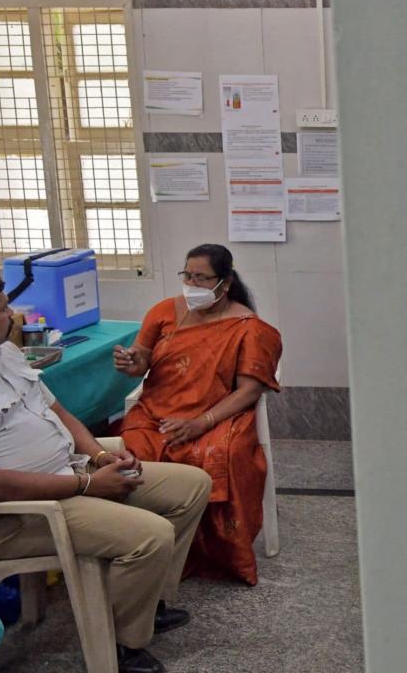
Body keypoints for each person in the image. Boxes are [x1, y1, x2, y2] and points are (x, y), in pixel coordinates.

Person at [0, 269, 211, 673]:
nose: (12, 314)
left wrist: (100, 458)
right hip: (16, 515)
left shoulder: (2, 352)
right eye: (3, 308)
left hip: (71, 473)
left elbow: (58, 412)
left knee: (192, 486)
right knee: (151, 536)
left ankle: (145, 605)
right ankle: (120, 642)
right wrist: (86, 485)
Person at [114, 244, 282, 585]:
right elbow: (143, 360)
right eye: (187, 276)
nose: (192, 284)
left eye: (202, 278)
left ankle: (215, 554)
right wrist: (133, 364)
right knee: (132, 452)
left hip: (217, 414)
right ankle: (145, 547)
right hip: (156, 411)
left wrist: (200, 423)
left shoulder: (249, 328)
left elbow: (249, 390)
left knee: (221, 455)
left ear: (226, 282)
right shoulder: (163, 311)